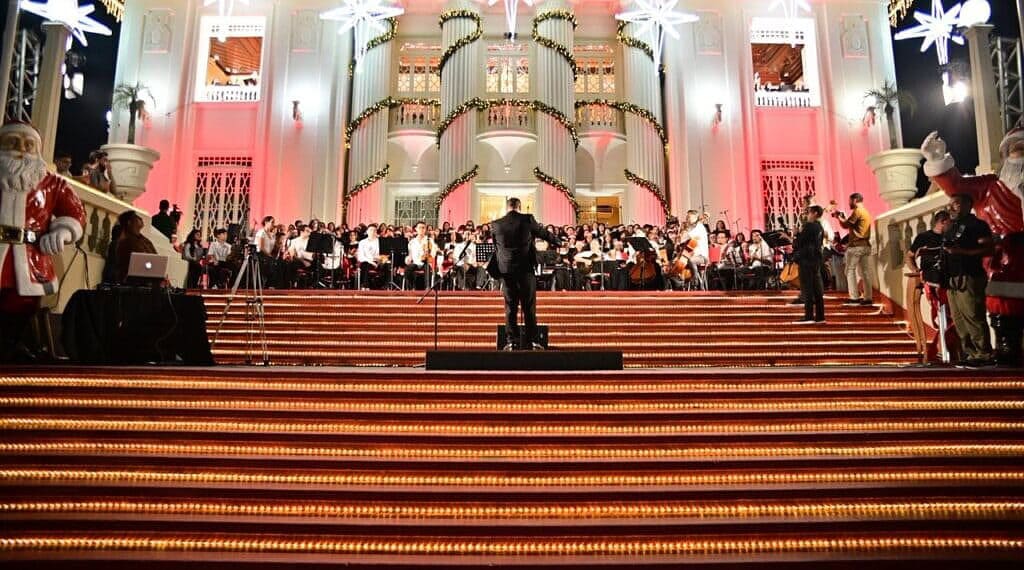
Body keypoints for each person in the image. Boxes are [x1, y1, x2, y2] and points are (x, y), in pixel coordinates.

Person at [922, 128, 1024, 366]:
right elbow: (955, 185)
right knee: (1001, 321)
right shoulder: (989, 187)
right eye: (1016, 151)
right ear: (1006, 156)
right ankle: (993, 353)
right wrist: (937, 160)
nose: (1020, 157)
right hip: (1005, 266)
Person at [0, 121, 86, 362]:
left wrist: (63, 232)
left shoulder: (53, 183)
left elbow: (75, 212)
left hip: (30, 258)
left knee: (22, 304)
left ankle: (12, 346)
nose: (21, 149)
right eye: (13, 142)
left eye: (28, 144)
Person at [490, 197, 559, 351]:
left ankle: (511, 342)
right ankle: (531, 341)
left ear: (507, 207)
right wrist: (558, 241)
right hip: (525, 269)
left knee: (510, 307)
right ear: (519, 207)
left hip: (506, 271)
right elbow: (543, 233)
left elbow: (496, 247)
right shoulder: (527, 219)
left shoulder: (496, 224)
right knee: (528, 307)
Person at [942, 193, 996, 367]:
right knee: (958, 319)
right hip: (952, 278)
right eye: (950, 204)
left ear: (967, 205)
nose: (951, 207)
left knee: (973, 315)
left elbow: (989, 249)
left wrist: (963, 253)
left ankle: (984, 353)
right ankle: (970, 353)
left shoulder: (977, 225)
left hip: (970, 276)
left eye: (956, 204)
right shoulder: (951, 227)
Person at [905, 210, 959, 363]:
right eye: (950, 222)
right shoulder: (924, 237)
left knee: (955, 316)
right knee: (940, 314)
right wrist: (916, 270)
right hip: (932, 280)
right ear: (942, 221)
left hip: (950, 280)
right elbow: (909, 256)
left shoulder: (951, 237)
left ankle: (949, 349)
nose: (952, 225)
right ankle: (938, 349)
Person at [837, 193, 873, 305]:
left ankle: (854, 297)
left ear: (855, 200)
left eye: (850, 201)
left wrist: (839, 217)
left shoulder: (858, 211)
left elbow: (846, 224)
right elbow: (850, 225)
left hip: (857, 246)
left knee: (849, 270)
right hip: (865, 245)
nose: (849, 203)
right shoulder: (866, 212)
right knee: (865, 272)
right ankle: (868, 298)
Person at [792, 205, 826, 324]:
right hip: (816, 260)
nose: (807, 215)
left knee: (807, 289)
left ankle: (809, 316)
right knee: (817, 289)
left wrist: (796, 234)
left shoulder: (809, 226)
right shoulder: (820, 227)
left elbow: (799, 243)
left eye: (809, 213)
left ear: (815, 213)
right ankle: (820, 316)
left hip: (806, 260)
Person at [115, 210, 158, 284]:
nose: (140, 219)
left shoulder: (143, 239)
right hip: (135, 283)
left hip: (149, 279)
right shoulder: (126, 241)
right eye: (135, 217)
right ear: (129, 222)